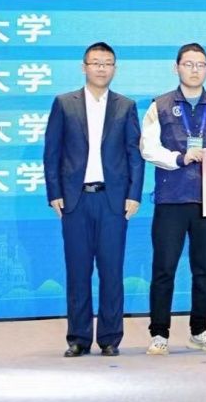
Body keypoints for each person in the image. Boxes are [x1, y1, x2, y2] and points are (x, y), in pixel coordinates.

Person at [43, 42, 144, 358]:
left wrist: (134, 195)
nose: (101, 68)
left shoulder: (125, 106)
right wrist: (54, 193)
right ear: (84, 67)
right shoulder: (64, 104)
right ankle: (78, 337)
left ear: (114, 68)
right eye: (96, 62)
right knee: (78, 272)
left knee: (112, 272)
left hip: (113, 202)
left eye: (107, 63)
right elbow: (52, 152)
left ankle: (110, 338)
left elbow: (134, 155)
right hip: (75, 201)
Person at [140, 43, 206, 356]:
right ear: (176, 67)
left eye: (200, 65)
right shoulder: (160, 106)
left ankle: (200, 330)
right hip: (171, 199)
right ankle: (159, 333)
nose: (194, 70)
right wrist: (180, 158)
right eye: (188, 64)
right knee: (164, 268)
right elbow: (148, 148)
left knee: (204, 269)